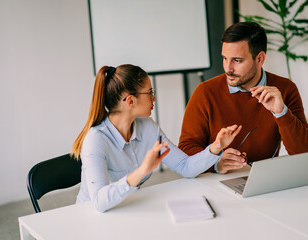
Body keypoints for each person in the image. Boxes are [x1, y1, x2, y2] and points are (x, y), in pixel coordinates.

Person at [71, 64, 242, 212]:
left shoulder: (148, 127)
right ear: (130, 101)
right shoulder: (96, 140)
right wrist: (142, 171)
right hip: (93, 218)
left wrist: (216, 147)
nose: (154, 98)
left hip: (130, 208)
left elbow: (185, 167)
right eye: (150, 93)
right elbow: (99, 202)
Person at [178, 22, 308, 174]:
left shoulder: (285, 89)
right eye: (224, 58)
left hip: (265, 180)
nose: (228, 68)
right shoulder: (205, 92)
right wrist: (215, 163)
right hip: (216, 182)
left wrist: (281, 112)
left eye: (237, 60)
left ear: (260, 59)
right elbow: (186, 149)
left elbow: (303, 152)